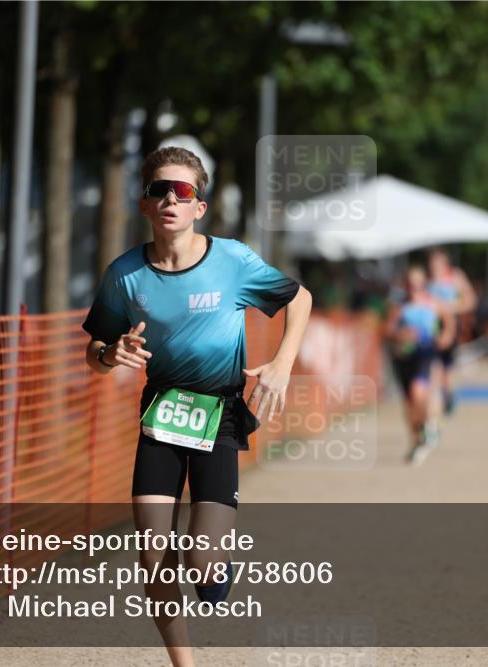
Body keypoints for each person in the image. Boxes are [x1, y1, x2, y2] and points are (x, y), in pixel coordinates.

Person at [82, 147, 311, 667]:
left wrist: (282, 362)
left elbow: (300, 299)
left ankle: (214, 563)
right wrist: (108, 354)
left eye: (181, 191)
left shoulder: (231, 261)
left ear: (198, 207)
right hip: (160, 416)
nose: (169, 198)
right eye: (159, 189)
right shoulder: (125, 275)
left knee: (198, 559)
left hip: (220, 414)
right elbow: (93, 353)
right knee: (153, 558)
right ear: (144, 204)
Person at [385, 265, 454, 464]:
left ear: (423, 284)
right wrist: (400, 334)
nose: (413, 287)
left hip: (425, 352)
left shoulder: (433, 303)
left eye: (417, 283)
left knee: (418, 392)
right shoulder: (400, 307)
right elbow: (388, 329)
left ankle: (428, 427)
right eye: (410, 283)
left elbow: (449, 321)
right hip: (403, 357)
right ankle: (416, 440)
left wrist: (445, 337)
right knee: (408, 403)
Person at [426, 248, 475, 415]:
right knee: (435, 367)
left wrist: (452, 308)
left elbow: (470, 300)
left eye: (437, 262)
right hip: (430, 327)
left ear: (445, 262)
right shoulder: (427, 280)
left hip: (450, 326)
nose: (434, 266)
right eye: (432, 262)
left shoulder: (455, 276)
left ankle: (448, 394)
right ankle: (438, 399)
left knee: (445, 368)